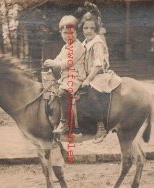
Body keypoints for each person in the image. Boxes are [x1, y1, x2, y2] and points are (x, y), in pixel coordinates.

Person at [44, 15, 86, 134]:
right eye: (65, 33)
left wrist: (55, 63)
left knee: (63, 92)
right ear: (61, 33)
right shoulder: (65, 47)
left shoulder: (78, 46)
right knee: (51, 89)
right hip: (66, 76)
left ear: (76, 33)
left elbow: (68, 62)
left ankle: (65, 122)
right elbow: (59, 58)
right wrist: (51, 62)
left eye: (71, 33)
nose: (68, 36)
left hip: (75, 76)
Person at [80, 11, 110, 143]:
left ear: (96, 30)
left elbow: (97, 65)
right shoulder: (84, 43)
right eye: (86, 28)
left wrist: (87, 79)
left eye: (92, 28)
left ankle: (101, 127)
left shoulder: (97, 42)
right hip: (87, 75)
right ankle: (85, 126)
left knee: (91, 94)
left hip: (98, 75)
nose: (89, 31)